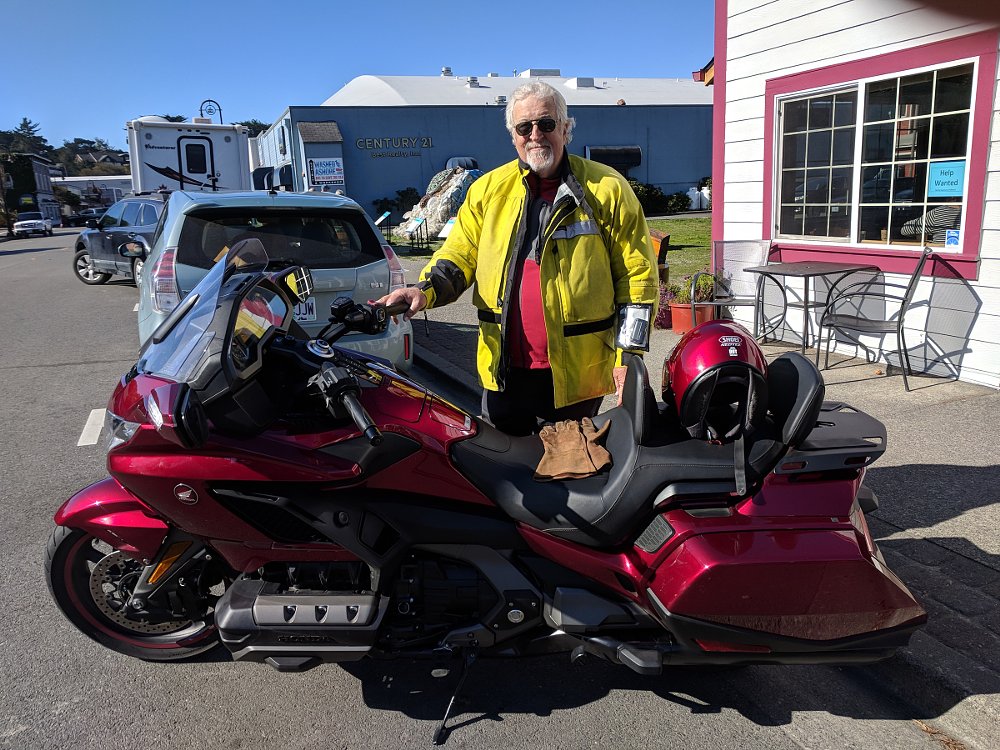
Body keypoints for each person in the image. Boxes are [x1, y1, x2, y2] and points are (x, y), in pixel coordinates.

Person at [379, 81, 657, 435]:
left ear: (566, 129)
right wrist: (424, 289)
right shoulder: (487, 190)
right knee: (506, 477)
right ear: (513, 136)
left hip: (578, 378)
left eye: (547, 124)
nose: (536, 135)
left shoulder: (608, 188)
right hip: (504, 373)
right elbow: (458, 256)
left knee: (573, 475)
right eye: (525, 127)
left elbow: (638, 278)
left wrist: (629, 358)